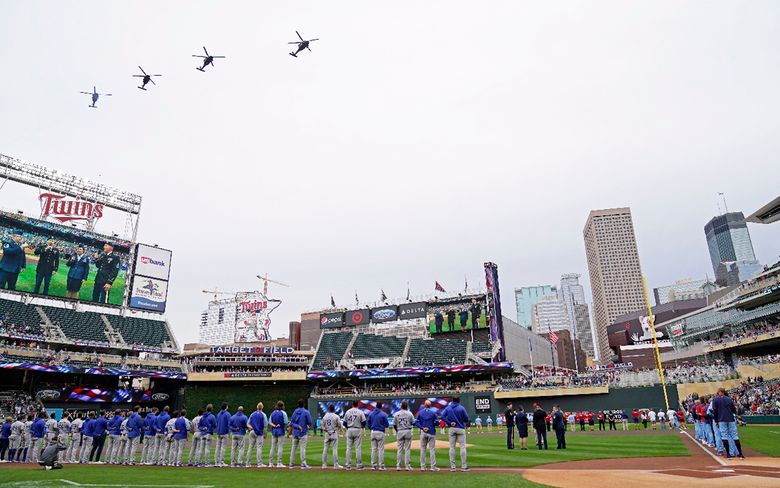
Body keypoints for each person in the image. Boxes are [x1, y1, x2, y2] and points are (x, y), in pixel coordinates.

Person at [712, 388, 744, 459]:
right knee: (735, 436)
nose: (717, 393)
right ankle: (740, 454)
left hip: (721, 420)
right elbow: (734, 410)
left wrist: (716, 421)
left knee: (724, 436)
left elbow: (715, 411)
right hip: (731, 419)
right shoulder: (729, 399)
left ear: (720, 392)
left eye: (718, 392)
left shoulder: (715, 400)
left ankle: (729, 454)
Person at [442, 396, 469, 472]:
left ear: (452, 400)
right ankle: (464, 466)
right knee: (462, 447)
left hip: (452, 428)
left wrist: (449, 422)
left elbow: (443, 417)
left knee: (452, 447)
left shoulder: (448, 408)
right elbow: (466, 419)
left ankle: (453, 467)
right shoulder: (461, 408)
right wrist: (461, 419)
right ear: (459, 400)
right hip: (460, 428)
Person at [414, 399, 439, 472]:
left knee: (422, 449)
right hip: (431, 432)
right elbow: (437, 422)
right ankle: (432, 467)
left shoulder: (420, 413)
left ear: (424, 405)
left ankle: (422, 467)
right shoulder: (433, 413)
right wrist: (433, 424)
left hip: (423, 432)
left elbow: (416, 423)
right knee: (432, 450)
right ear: (430, 405)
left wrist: (422, 428)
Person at [343, 400, 366, 470]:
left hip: (349, 429)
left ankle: (347, 465)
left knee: (348, 448)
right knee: (358, 447)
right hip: (357, 429)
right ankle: (359, 465)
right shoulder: (360, 412)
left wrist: (349, 428)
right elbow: (364, 422)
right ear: (357, 404)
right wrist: (360, 427)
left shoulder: (348, 411)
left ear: (352, 404)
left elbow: (344, 423)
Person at [289, 399, 312, 469]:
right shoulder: (306, 412)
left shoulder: (295, 412)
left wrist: (297, 427)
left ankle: (291, 464)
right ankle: (303, 464)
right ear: (303, 404)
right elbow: (310, 422)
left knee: (293, 448)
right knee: (302, 448)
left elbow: (291, 423)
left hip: (295, 432)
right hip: (303, 432)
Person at [393, 401, 414, 471]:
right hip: (407, 430)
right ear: (407, 406)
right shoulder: (410, 413)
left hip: (400, 431)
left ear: (401, 406)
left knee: (399, 449)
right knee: (407, 449)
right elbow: (413, 422)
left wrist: (398, 430)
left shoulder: (396, 414)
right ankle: (407, 466)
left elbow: (394, 424)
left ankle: (398, 466)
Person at [367, 402, 389, 470]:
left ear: (376, 406)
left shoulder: (371, 413)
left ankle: (373, 465)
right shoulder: (383, 414)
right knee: (381, 449)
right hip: (380, 431)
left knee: (373, 449)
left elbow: (368, 424)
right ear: (381, 406)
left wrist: (371, 428)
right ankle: (381, 466)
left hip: (373, 431)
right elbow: (387, 425)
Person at [321, 404, 343, 470]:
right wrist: (340, 429)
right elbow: (339, 425)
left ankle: (324, 465)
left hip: (327, 433)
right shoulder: (336, 416)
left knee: (325, 449)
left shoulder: (325, 416)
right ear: (334, 409)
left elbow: (322, 426)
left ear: (329, 409)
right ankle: (336, 465)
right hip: (334, 432)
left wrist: (327, 430)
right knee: (334, 449)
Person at [246, 403, 267, 468]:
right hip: (259, 432)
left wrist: (252, 428)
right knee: (259, 448)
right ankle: (259, 464)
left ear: (257, 407)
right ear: (262, 407)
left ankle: (247, 463)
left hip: (252, 432)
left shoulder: (252, 414)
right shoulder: (263, 415)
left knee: (250, 447)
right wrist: (265, 434)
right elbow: (265, 426)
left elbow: (248, 424)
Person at [269, 401, 287, 468]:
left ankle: (270, 463)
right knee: (280, 447)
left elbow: (270, 422)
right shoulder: (283, 413)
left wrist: (274, 425)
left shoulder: (273, 413)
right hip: (281, 431)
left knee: (273, 447)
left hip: (274, 431)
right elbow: (285, 422)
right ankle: (279, 463)